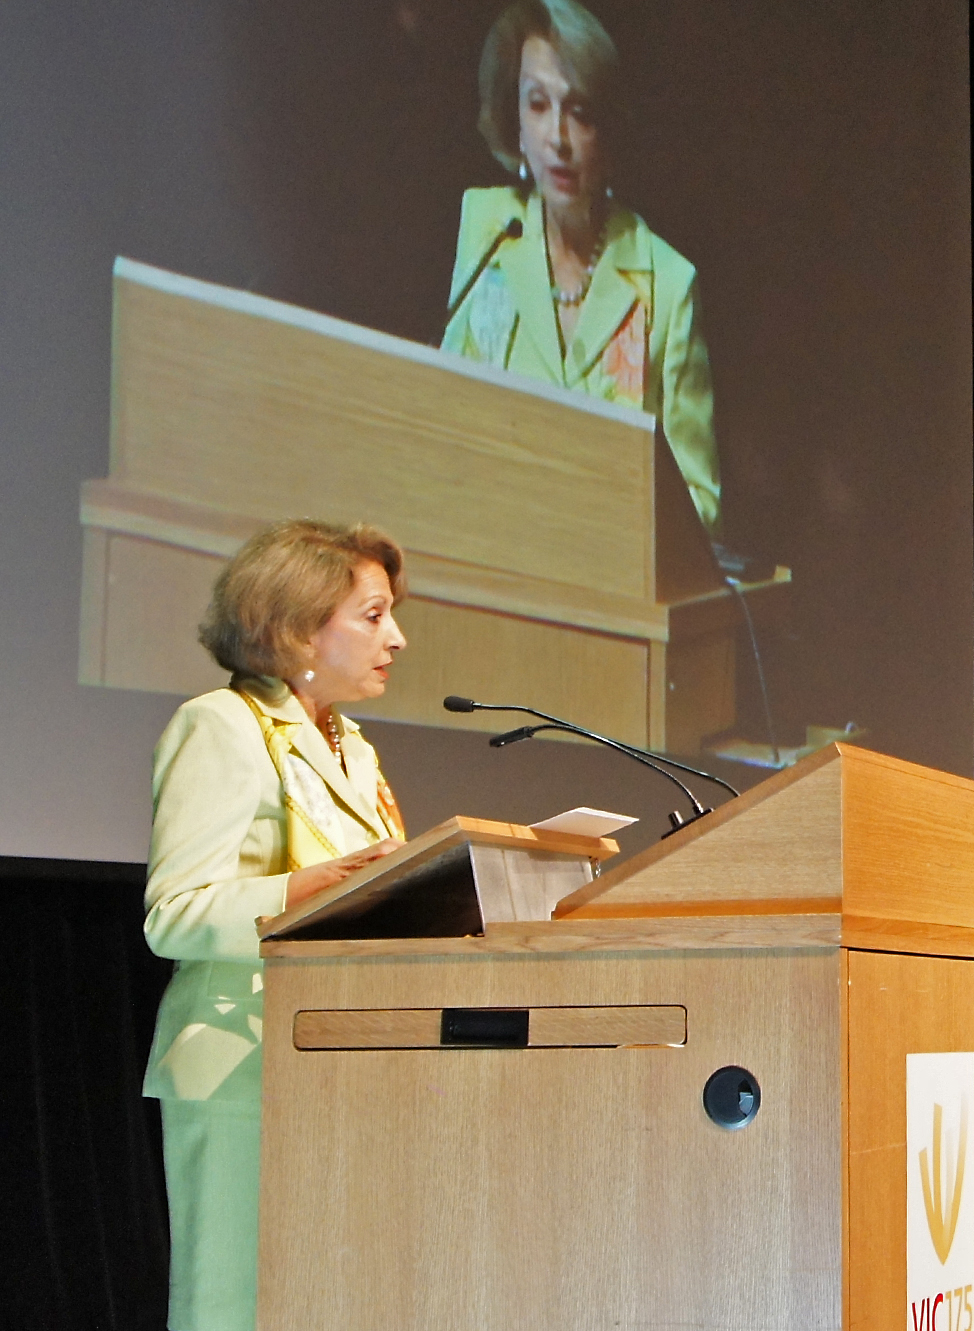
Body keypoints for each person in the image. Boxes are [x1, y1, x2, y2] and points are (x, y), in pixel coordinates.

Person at [142, 518, 408, 1331]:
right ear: (297, 627)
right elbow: (174, 914)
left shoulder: (353, 747)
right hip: (241, 1071)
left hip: (338, 1062)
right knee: (234, 1305)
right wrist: (301, 889)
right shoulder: (220, 725)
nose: (395, 637)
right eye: (372, 615)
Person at [442, 0, 722, 535]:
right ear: (515, 122)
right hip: (493, 558)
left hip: (611, 583)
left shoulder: (665, 281)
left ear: (609, 131)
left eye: (580, 112)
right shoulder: (486, 233)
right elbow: (443, 424)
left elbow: (699, 510)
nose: (557, 138)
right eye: (538, 104)